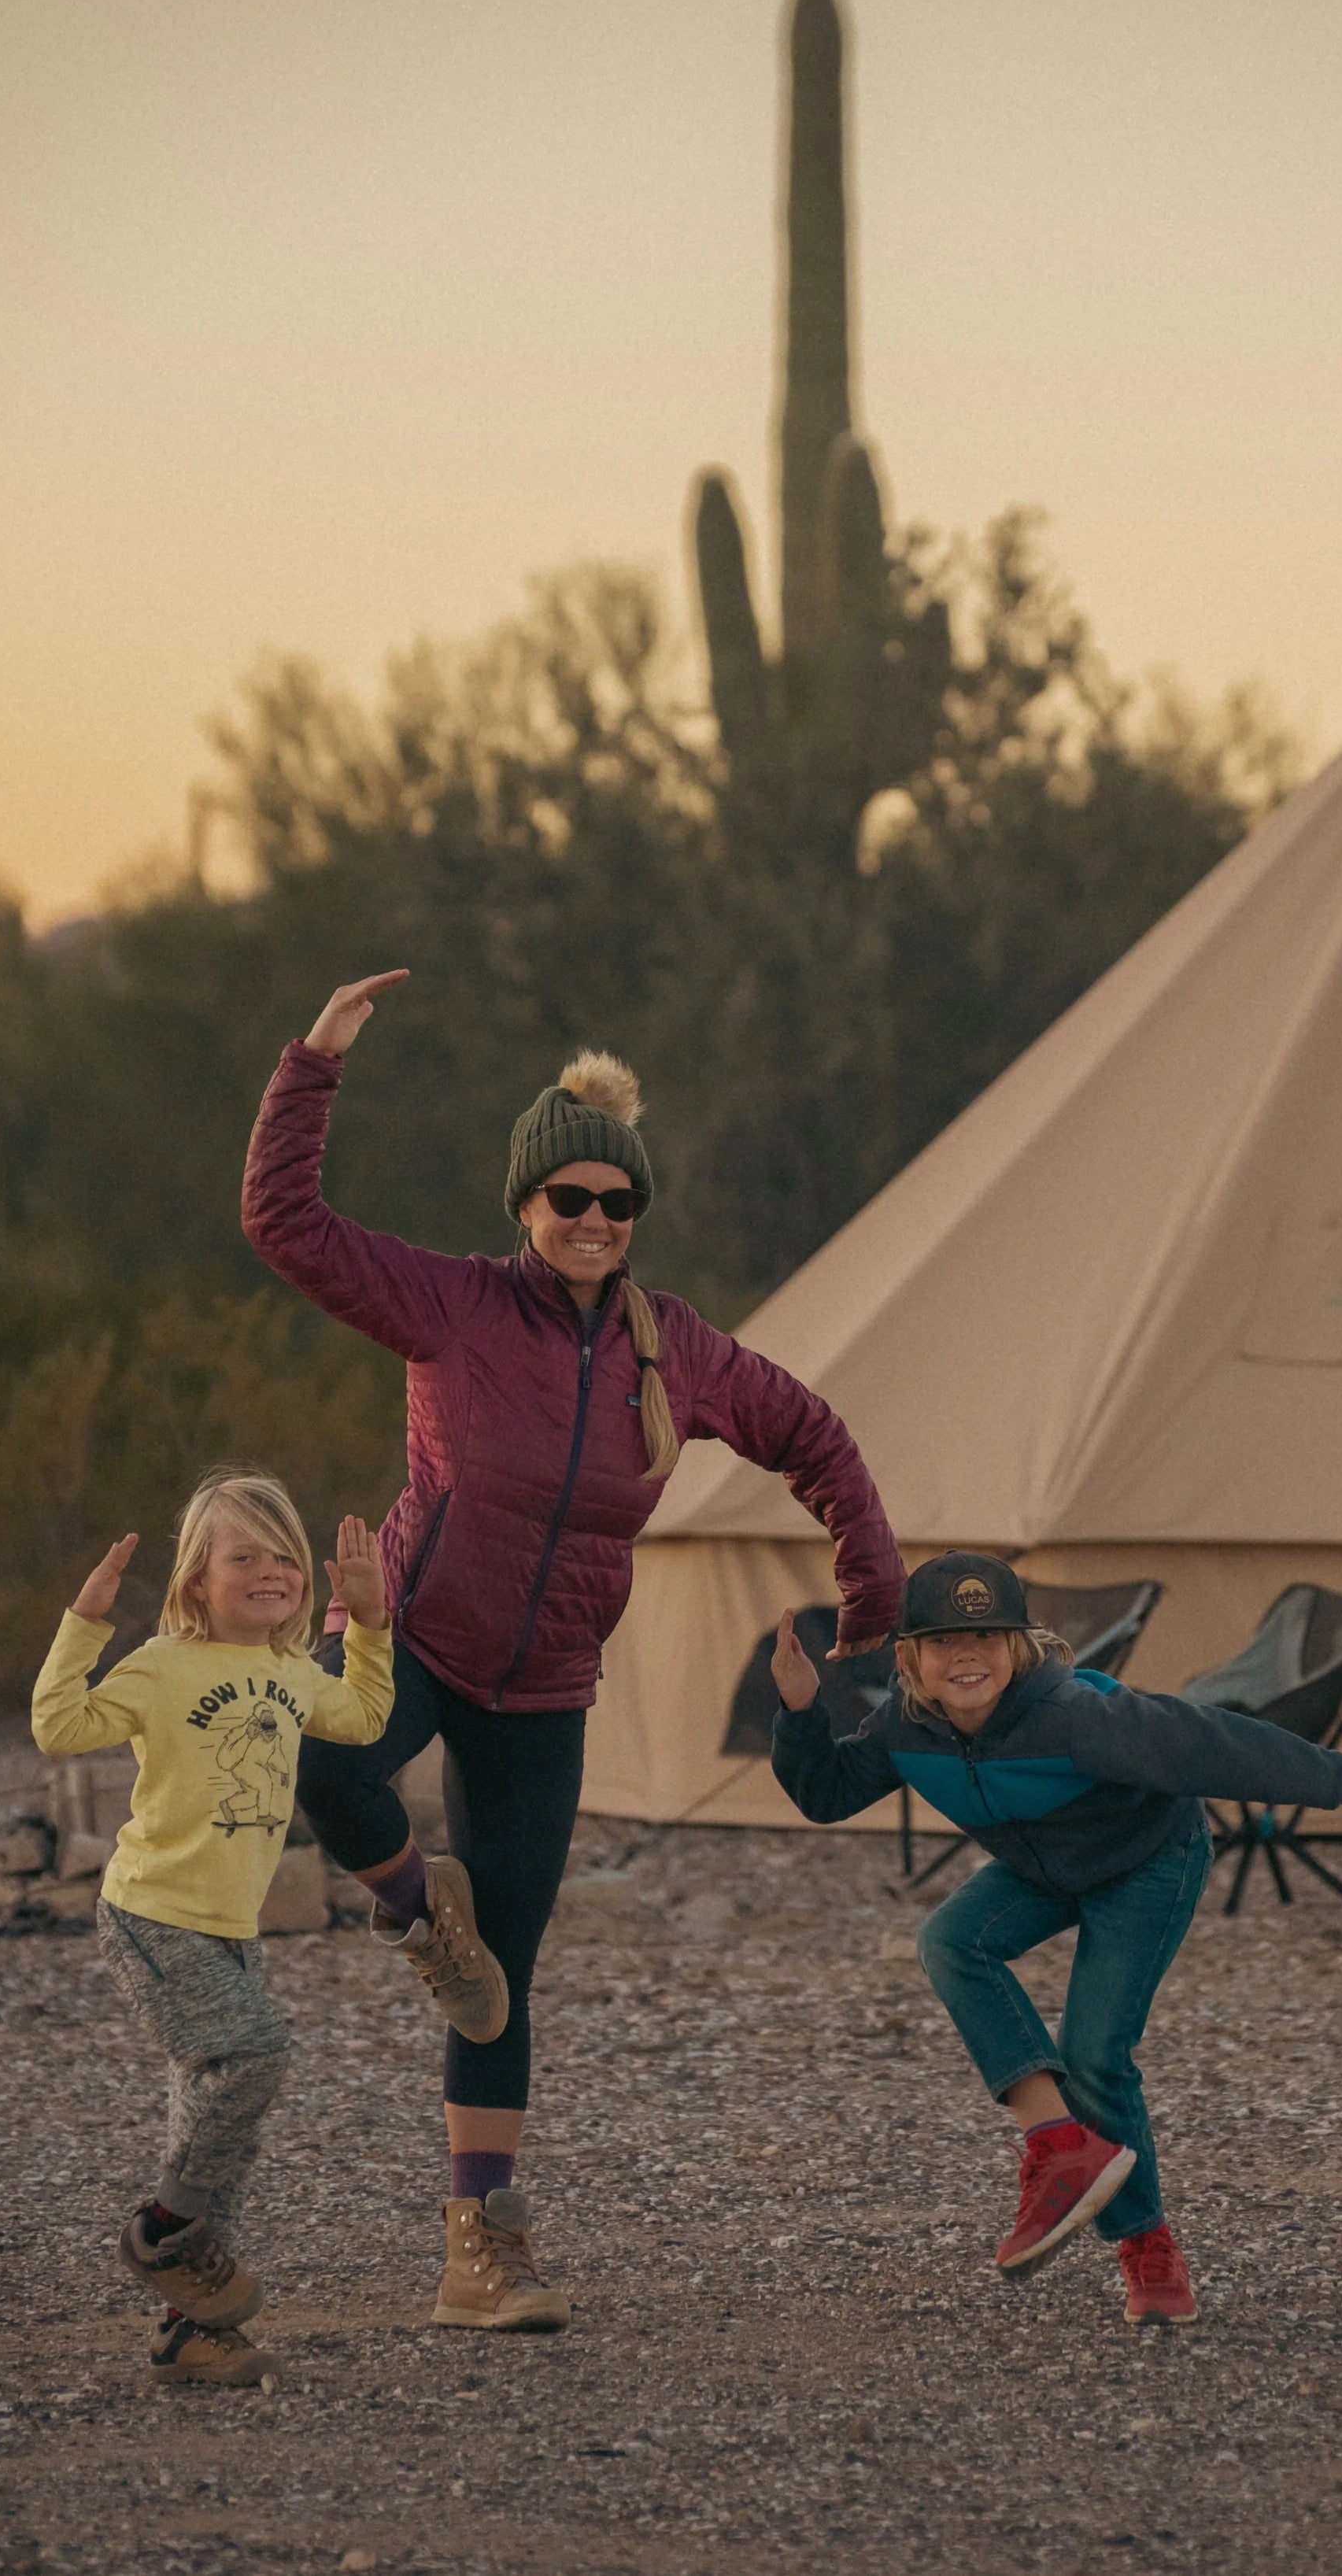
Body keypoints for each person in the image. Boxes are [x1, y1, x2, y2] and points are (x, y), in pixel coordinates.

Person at [242, 973, 902, 2331]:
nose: (595, 1223)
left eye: (618, 1203)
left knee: (506, 1982)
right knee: (313, 1753)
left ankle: (479, 2247)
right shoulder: (450, 1306)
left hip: (542, 1689)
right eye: (570, 1201)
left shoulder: (681, 1357)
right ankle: (418, 1908)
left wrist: (872, 1593)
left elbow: (817, 1440)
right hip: (409, 1637)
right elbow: (283, 1223)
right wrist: (314, 1063)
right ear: (525, 1207)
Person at [769, 1550, 1342, 2328]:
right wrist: (800, 1713)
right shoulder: (905, 1728)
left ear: (1018, 1646)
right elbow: (827, 1795)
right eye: (942, 1644)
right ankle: (1058, 2141)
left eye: (987, 1639)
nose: (966, 1658)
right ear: (910, 1659)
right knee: (950, 1939)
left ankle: (1147, 2245)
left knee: (1096, 2052)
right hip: (1042, 1863)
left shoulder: (1078, 1718)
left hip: (1147, 1864)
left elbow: (1214, 1744)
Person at [30, 1471, 401, 2388]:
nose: (269, 1572)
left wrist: (369, 1623)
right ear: (198, 1578)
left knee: (219, 2125)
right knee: (256, 2058)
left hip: (233, 1927)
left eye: (284, 1556)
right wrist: (85, 1622)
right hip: (154, 1913)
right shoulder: (161, 1664)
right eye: (244, 1557)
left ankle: (187, 2331)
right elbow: (57, 1727)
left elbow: (363, 1716)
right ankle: (161, 2235)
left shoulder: (289, 1671)